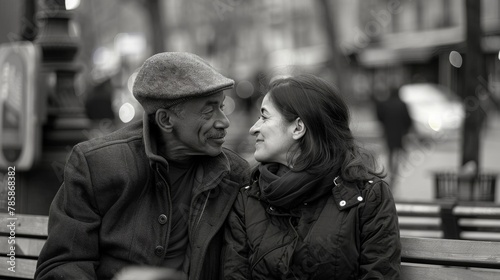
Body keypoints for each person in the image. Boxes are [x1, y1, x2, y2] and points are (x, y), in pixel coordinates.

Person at [35, 52, 250, 280]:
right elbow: (62, 264)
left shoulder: (233, 174)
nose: (223, 121)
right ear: (166, 120)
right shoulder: (96, 165)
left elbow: (237, 266)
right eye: (208, 110)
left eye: (221, 107)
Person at [223, 74, 401, 279]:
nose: (254, 128)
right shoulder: (248, 197)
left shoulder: (368, 197)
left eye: (264, 116)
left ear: (298, 128)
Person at [375, 86, 413, 188]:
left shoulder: (385, 103)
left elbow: (380, 116)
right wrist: (406, 129)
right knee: (399, 150)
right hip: (400, 132)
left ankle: (391, 170)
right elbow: (408, 119)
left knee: (390, 151)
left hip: (389, 130)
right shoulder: (402, 104)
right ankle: (396, 170)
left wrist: (384, 125)